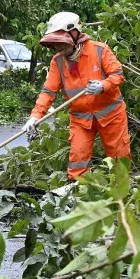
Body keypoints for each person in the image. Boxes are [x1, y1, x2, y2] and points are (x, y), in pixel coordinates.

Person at [22, 12, 130, 180]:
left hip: (111, 115)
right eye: (56, 44)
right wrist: (35, 117)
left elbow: (118, 75)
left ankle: (123, 195)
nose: (59, 49)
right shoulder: (57, 61)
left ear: (75, 34)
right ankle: (77, 193)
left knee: (119, 159)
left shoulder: (99, 50)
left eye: (61, 43)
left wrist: (103, 85)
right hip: (81, 119)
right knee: (78, 158)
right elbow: (48, 92)